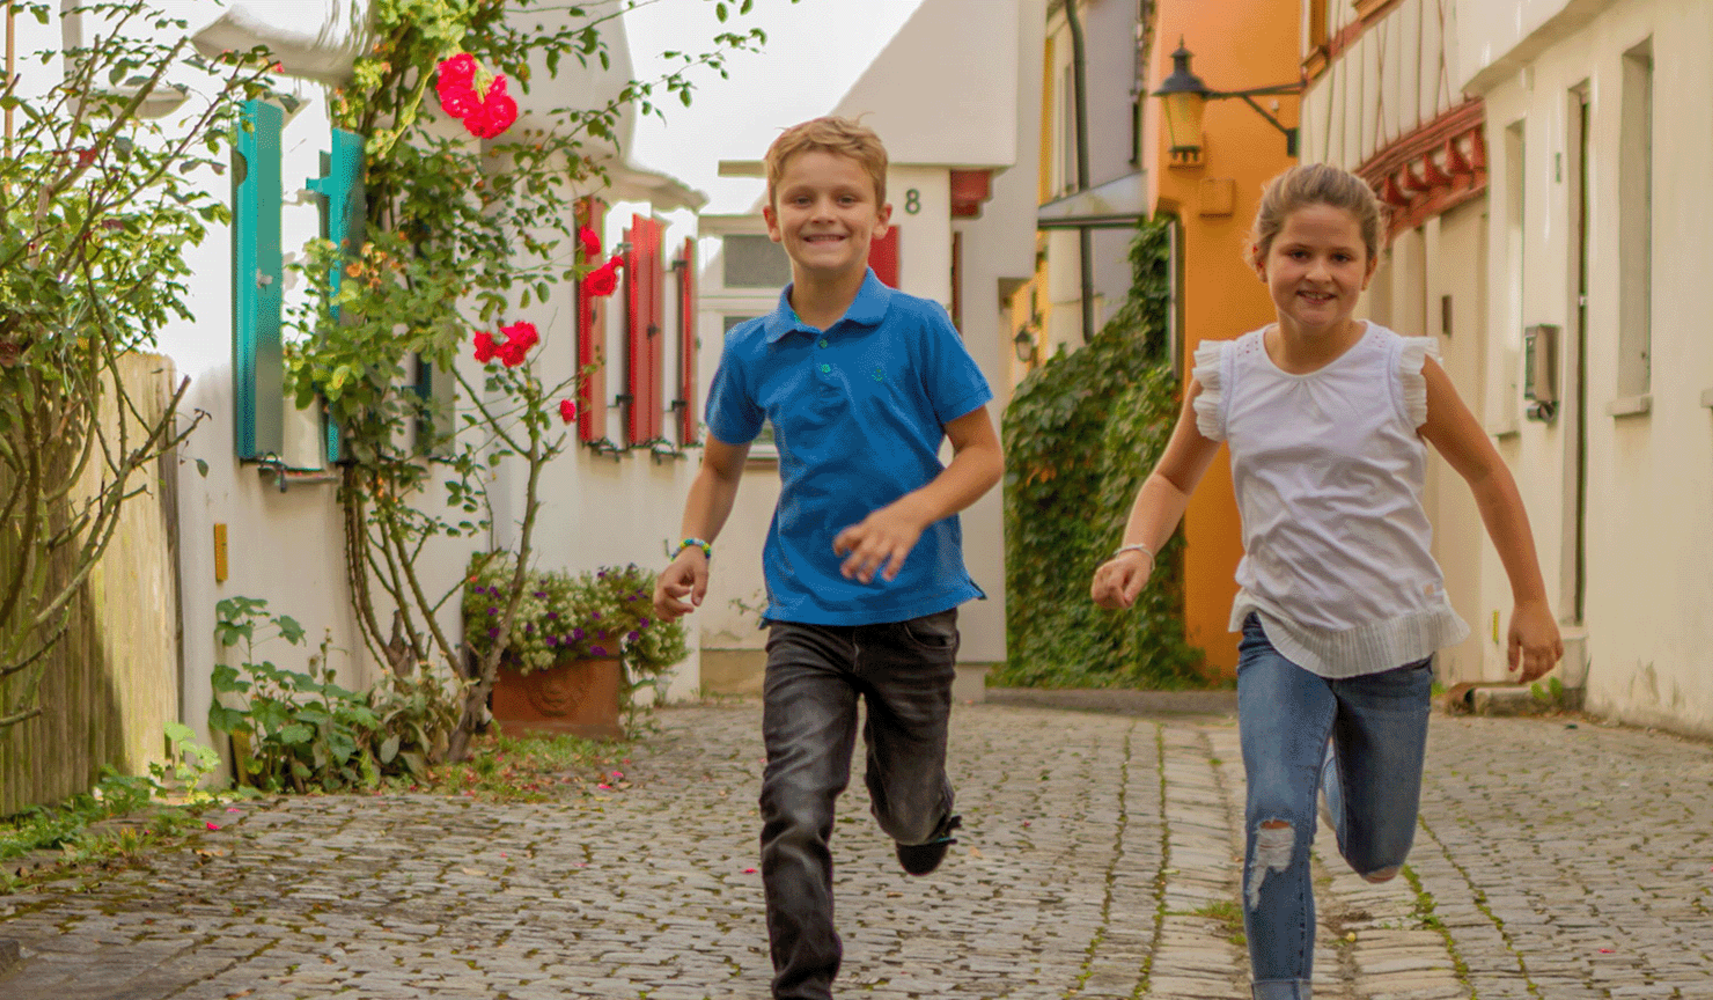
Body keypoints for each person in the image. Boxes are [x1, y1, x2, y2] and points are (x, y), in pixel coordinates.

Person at [1088, 163, 1562, 1000]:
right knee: (1274, 816)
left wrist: (1529, 600)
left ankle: (1342, 785)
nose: (1318, 274)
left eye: (1340, 258)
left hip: (1391, 642)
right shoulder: (1226, 374)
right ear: (1262, 259)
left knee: (1378, 856)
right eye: (1298, 254)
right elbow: (1170, 479)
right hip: (1283, 634)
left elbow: (1488, 474)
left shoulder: (1400, 370)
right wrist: (1138, 548)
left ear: (1368, 268)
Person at [652, 116, 1003, 1000]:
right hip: (805, 612)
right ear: (771, 219)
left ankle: (922, 812)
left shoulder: (919, 327)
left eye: (845, 198)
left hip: (914, 610)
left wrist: (910, 513)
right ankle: (803, 985)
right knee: (795, 805)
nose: (823, 213)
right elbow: (718, 466)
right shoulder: (751, 349)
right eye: (801, 198)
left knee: (910, 812)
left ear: (878, 215)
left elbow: (981, 453)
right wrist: (694, 545)